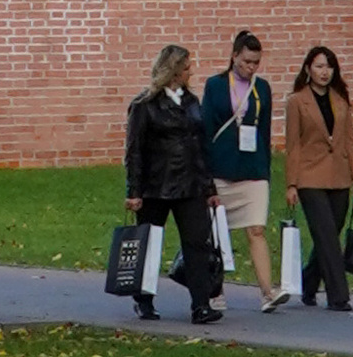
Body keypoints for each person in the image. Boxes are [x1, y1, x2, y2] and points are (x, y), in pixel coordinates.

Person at [123, 40, 223, 324]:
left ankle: (201, 304)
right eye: (186, 67)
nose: (191, 72)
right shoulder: (145, 105)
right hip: (157, 185)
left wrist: (209, 188)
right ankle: (144, 299)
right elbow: (135, 150)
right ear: (174, 71)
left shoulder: (192, 102)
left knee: (197, 243)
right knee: (150, 242)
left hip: (190, 184)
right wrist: (134, 191)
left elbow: (201, 147)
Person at [200, 28, 287, 311]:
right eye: (246, 61)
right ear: (234, 56)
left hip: (252, 169)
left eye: (256, 63)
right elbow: (206, 130)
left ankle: (267, 292)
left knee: (257, 229)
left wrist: (265, 170)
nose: (251, 68)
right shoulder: (214, 86)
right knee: (216, 234)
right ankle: (215, 291)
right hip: (221, 169)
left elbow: (264, 132)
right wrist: (206, 178)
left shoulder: (262, 89)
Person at [285, 43, 353, 313]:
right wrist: (291, 183)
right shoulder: (297, 102)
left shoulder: (340, 101)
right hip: (309, 177)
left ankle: (308, 281)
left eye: (328, 66)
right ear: (308, 69)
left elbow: (349, 141)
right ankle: (338, 296)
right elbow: (293, 145)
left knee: (330, 232)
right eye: (318, 66)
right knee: (327, 237)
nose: (324, 72)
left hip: (339, 178)